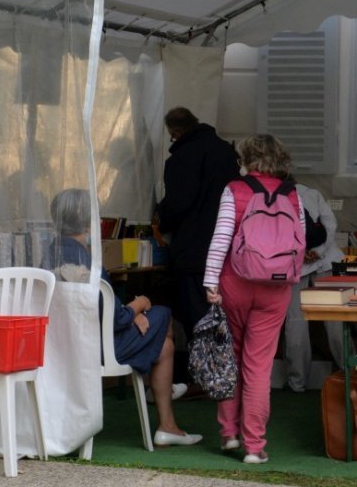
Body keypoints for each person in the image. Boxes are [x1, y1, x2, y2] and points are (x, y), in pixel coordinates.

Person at [45, 188, 202, 447]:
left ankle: (167, 424)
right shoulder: (88, 262)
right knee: (162, 314)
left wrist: (130, 313)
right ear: (88, 221)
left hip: (62, 345)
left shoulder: (50, 254)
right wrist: (138, 306)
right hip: (99, 348)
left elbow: (101, 309)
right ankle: (163, 399)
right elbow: (114, 318)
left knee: (165, 346)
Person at [204, 135, 305, 464]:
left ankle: (229, 435)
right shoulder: (293, 194)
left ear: (246, 158)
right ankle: (254, 446)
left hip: (235, 281)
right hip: (276, 287)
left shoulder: (235, 189)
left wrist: (210, 282)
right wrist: (290, 277)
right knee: (259, 366)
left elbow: (221, 238)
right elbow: (299, 243)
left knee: (228, 359)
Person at [156, 107, 241, 342]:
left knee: (196, 316)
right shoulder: (226, 151)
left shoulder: (182, 158)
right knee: (223, 317)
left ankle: (204, 375)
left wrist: (161, 217)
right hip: (227, 250)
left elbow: (178, 204)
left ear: (177, 131)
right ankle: (224, 372)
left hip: (193, 249)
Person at [283, 181, 344, 392]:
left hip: (294, 265)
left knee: (295, 322)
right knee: (335, 321)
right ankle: (350, 374)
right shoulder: (310, 192)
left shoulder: (269, 197)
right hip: (325, 260)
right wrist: (318, 250)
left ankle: (297, 382)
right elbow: (330, 225)